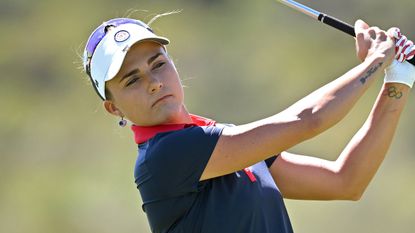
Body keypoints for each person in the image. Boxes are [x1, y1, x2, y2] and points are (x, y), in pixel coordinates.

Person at [82, 16, 415, 233]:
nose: (153, 82)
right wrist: (374, 62)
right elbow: (310, 119)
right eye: (132, 80)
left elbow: (345, 181)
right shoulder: (163, 157)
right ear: (114, 109)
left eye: (158, 64)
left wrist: (396, 80)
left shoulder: (226, 144)